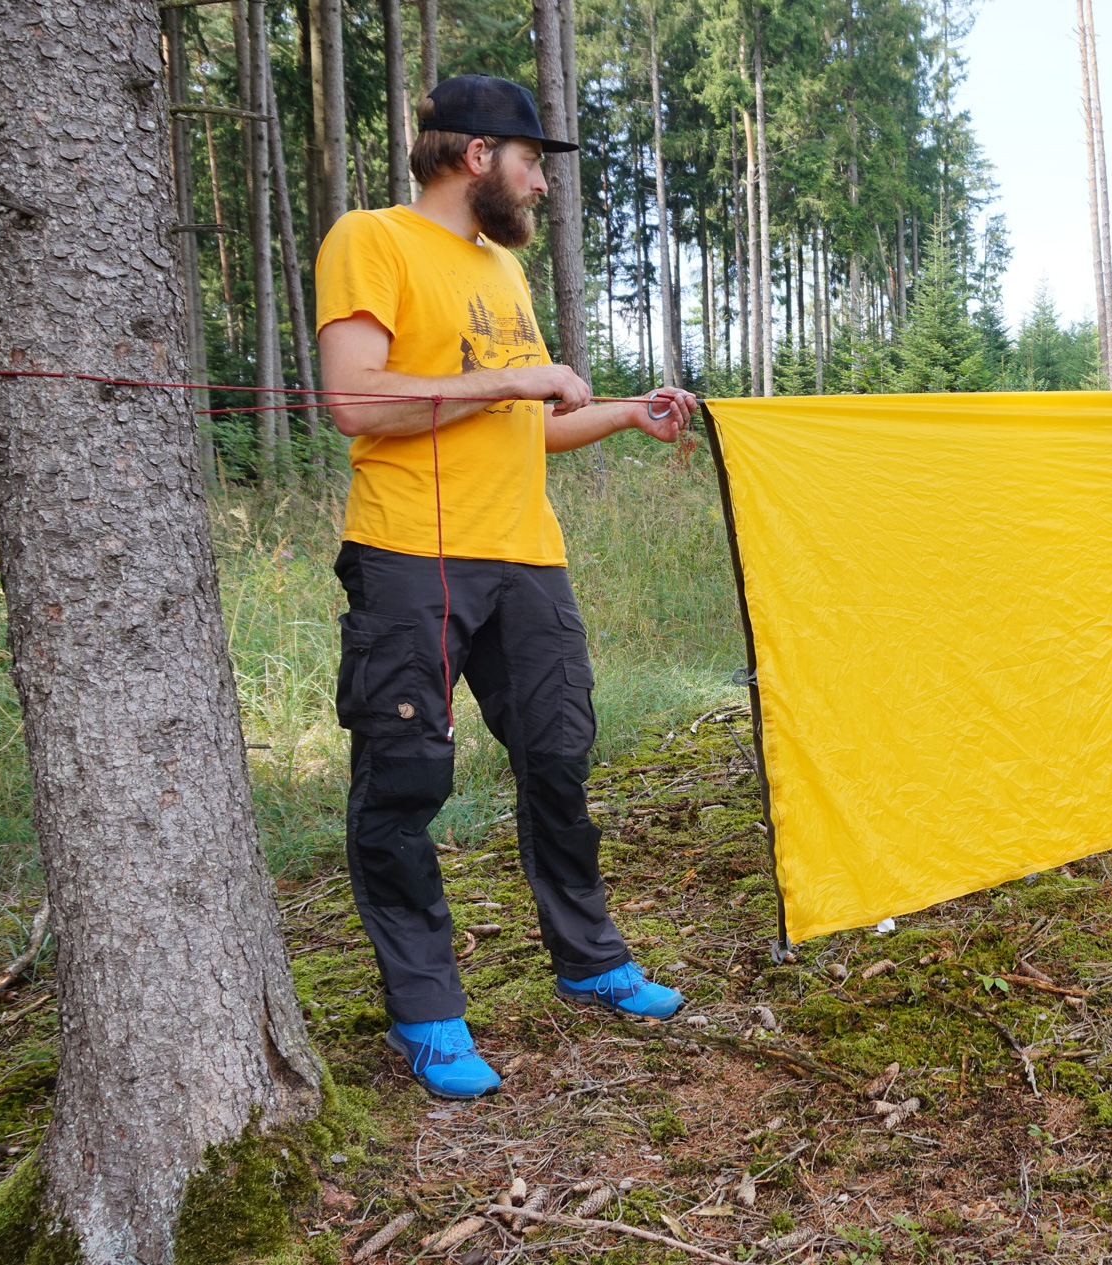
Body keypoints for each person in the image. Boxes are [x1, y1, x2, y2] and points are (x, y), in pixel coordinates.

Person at [313, 75, 695, 1100]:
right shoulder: (373, 238)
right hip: (411, 551)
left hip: (526, 555)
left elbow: (525, 425)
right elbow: (355, 399)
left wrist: (625, 412)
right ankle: (426, 1011)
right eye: (531, 163)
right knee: (406, 779)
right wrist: (515, 380)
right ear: (477, 155)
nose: (540, 185)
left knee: (559, 756)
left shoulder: (504, 270)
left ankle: (590, 958)